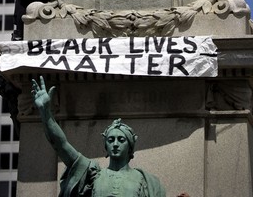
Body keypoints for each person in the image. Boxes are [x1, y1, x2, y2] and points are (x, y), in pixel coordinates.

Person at [31, 76, 188, 197]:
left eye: (121, 140)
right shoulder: (93, 174)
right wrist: (46, 113)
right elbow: (61, 145)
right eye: (110, 140)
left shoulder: (147, 182)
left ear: (130, 147)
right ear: (105, 146)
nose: (115, 143)